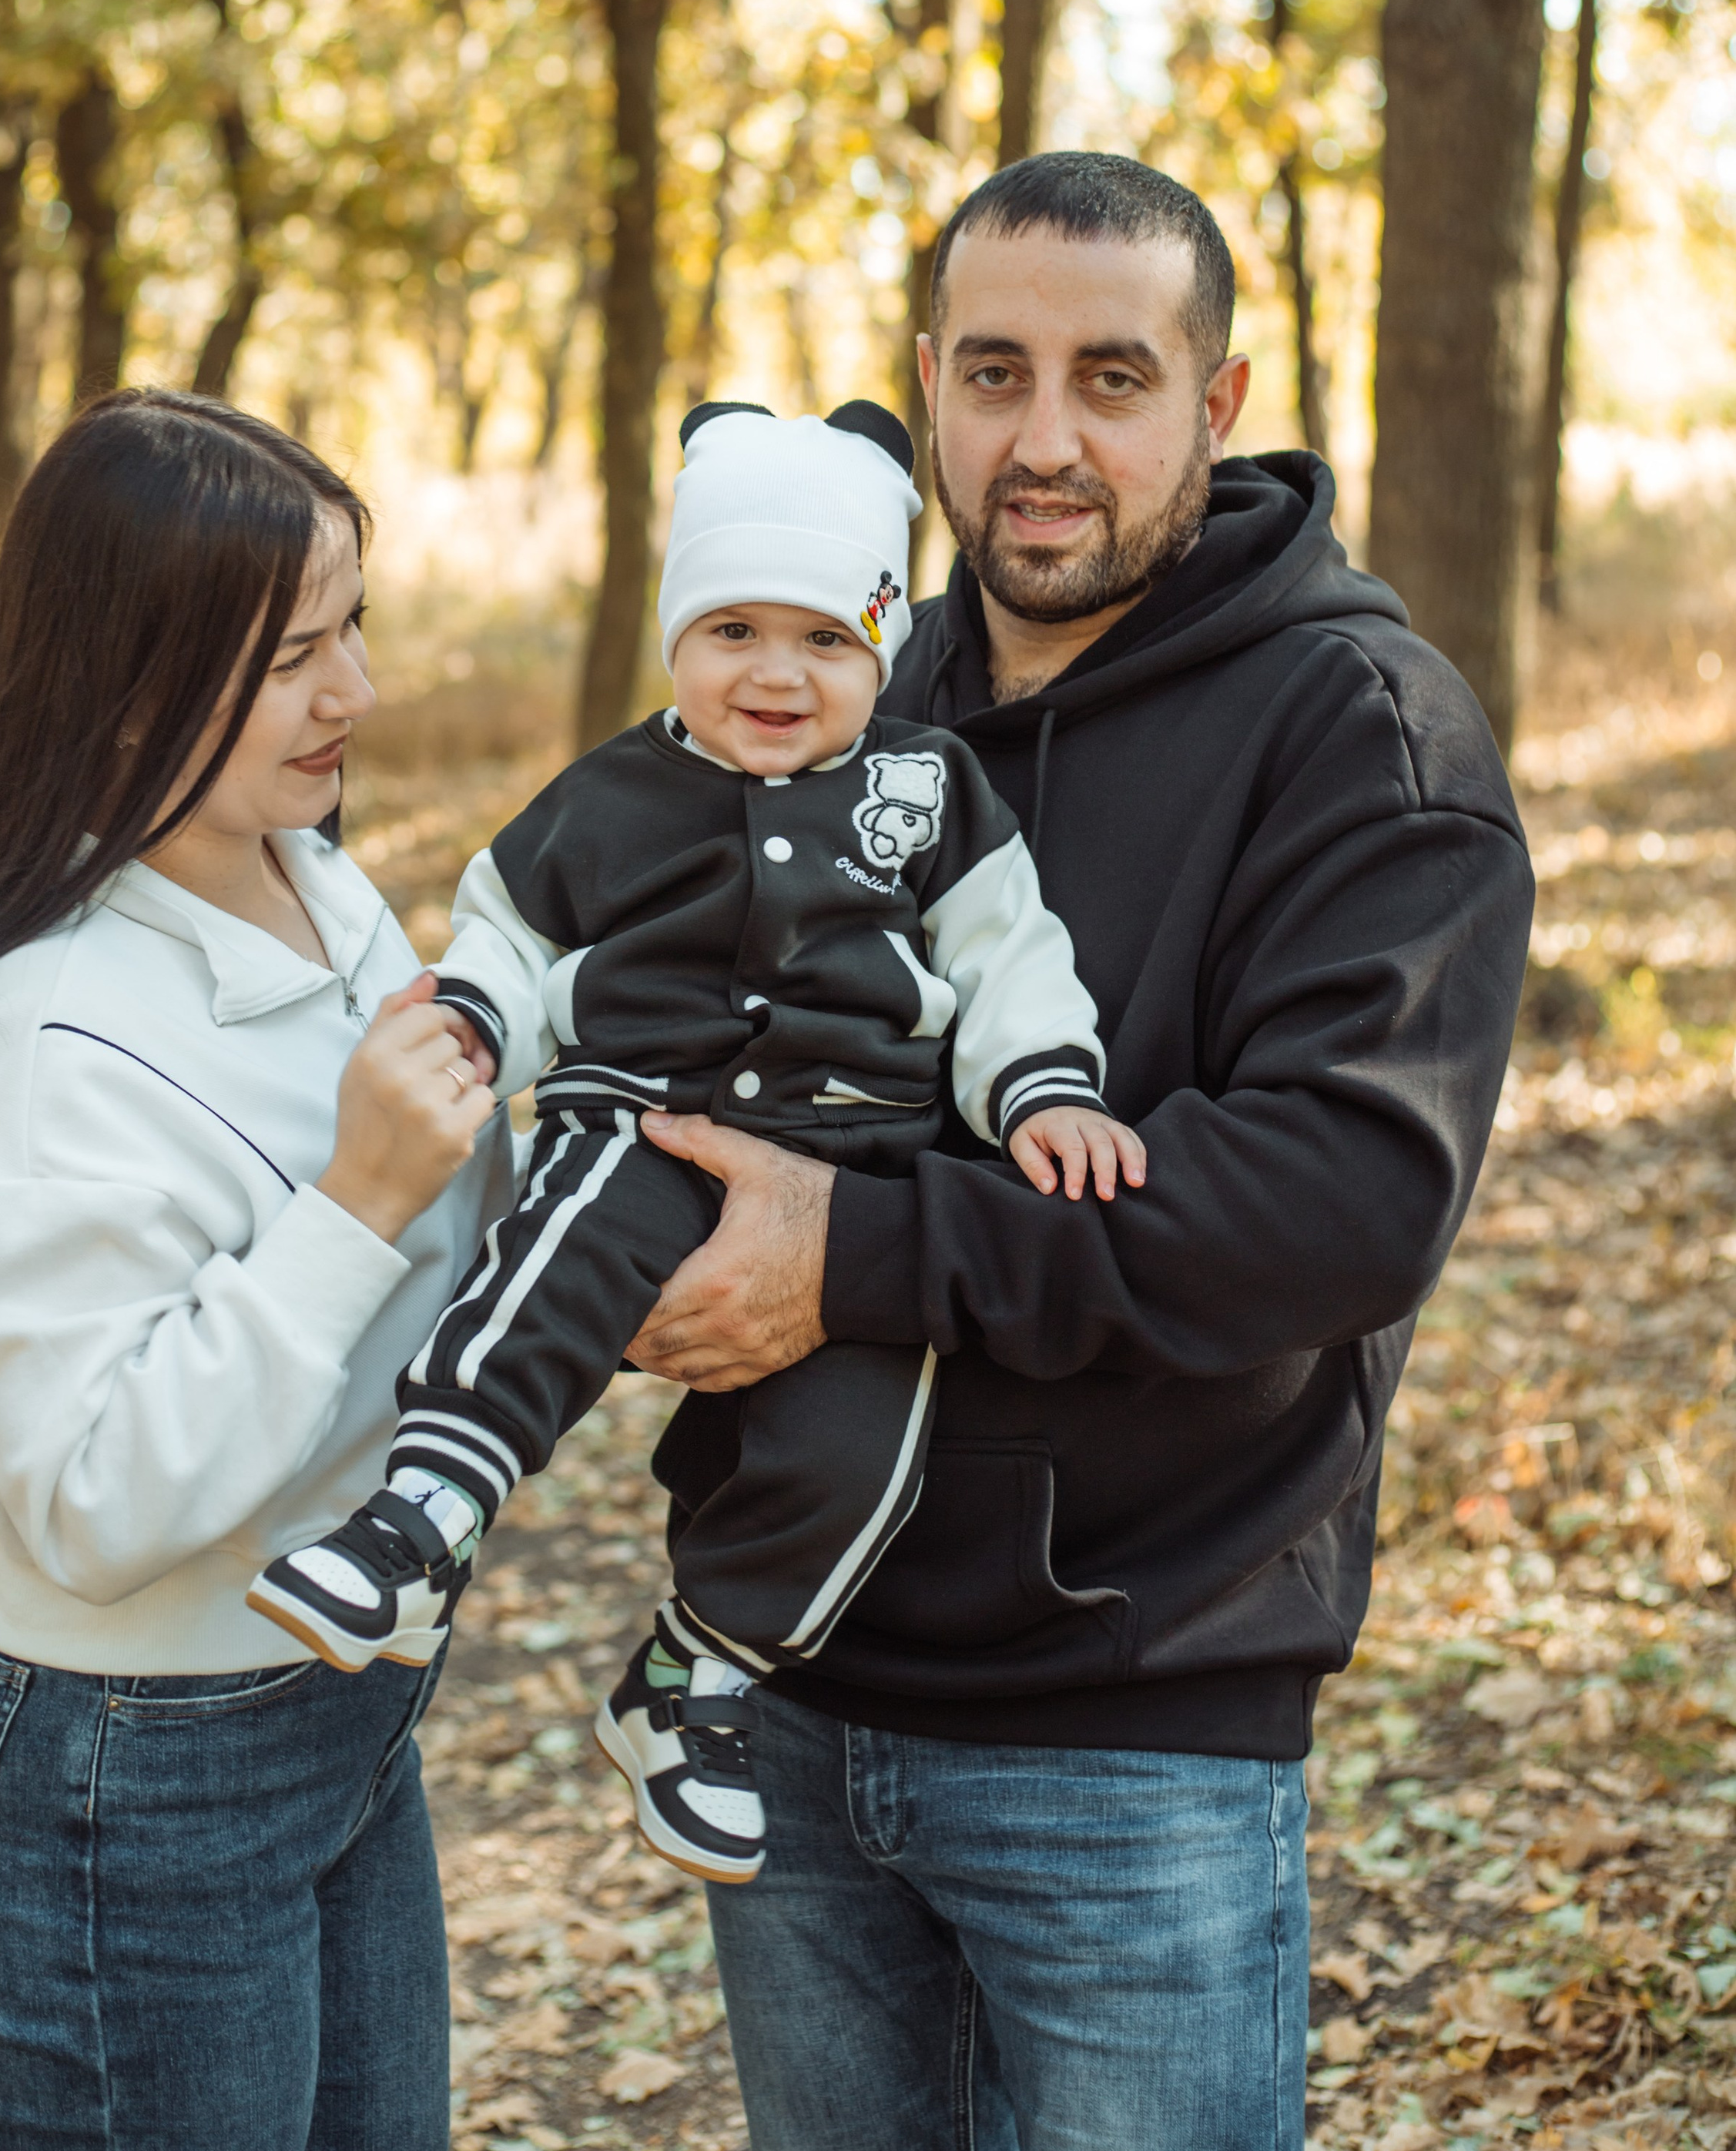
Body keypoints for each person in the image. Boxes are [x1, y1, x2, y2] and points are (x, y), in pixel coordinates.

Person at [622, 152, 1537, 2151]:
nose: (1044, 442)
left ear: (1214, 402)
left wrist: (851, 1250)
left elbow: (1338, 1194)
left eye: (1112, 377)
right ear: (927, 384)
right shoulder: (844, 693)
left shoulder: (1361, 726)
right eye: (996, 371)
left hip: (1132, 1723)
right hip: (787, 1683)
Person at [250, 399, 1144, 1886]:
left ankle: (694, 1675)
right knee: (557, 1256)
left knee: (862, 1447)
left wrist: (1046, 1091)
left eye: (823, 638)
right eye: (732, 629)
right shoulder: (613, 792)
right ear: (678, 636)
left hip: (861, 1170)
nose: (776, 673)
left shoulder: (929, 792)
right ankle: (422, 1517)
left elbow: (1008, 957)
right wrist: (478, 1020)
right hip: (647, 1109)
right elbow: (510, 930)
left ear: (881, 644)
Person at [0, 390, 513, 2151]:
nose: (355, 693)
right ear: (132, 676)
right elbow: (93, 1495)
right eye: (294, 654)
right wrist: (355, 1196)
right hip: (127, 1774)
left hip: (339, 1710)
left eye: (350, 627)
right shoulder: (35, 1053)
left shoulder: (315, 887)